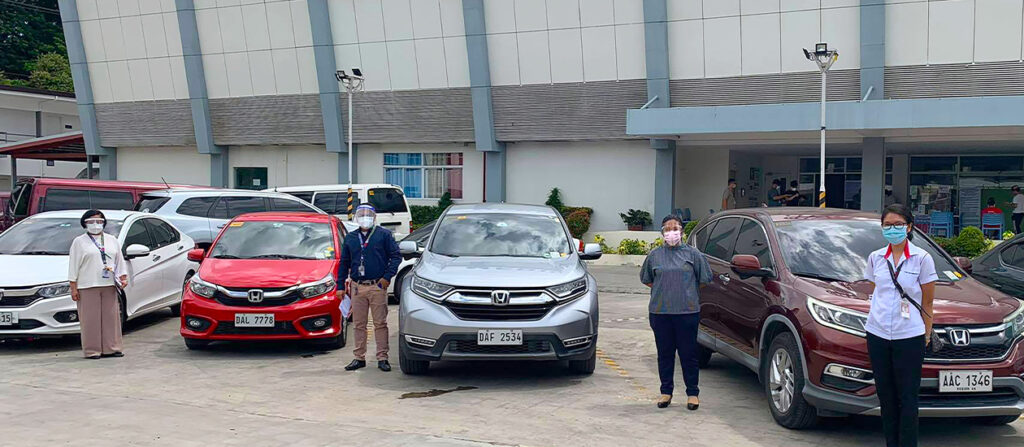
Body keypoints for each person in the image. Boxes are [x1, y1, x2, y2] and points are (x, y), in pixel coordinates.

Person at [862, 204, 936, 447]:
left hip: (910, 335)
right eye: (887, 225)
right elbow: (876, 292)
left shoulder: (922, 258)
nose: (892, 229)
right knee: (886, 396)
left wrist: (926, 335)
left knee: (907, 397)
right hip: (878, 333)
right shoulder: (875, 258)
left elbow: (927, 301)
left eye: (898, 225)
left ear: (909, 227)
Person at [640, 215, 712, 410]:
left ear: (682, 231)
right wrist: (666, 288)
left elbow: (704, 278)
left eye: (675, 228)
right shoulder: (655, 255)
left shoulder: (693, 255)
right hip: (660, 312)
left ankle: (692, 393)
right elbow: (647, 279)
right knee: (665, 354)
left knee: (688, 354)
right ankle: (666, 392)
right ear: (662, 233)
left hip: (687, 312)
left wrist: (684, 291)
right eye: (667, 229)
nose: (671, 232)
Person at [339, 204, 402, 372]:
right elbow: (344, 263)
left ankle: (382, 357)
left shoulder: (384, 235)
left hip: (377, 285)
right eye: (361, 214)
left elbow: (396, 256)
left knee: (380, 323)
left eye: (368, 214)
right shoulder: (351, 238)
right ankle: (359, 357)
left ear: (374, 217)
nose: (365, 217)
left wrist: (387, 278)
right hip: (358, 286)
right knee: (359, 324)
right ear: (356, 217)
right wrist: (340, 285)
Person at [68, 210, 128, 359]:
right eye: (91, 222)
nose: (95, 225)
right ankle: (92, 350)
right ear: (85, 224)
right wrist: (73, 287)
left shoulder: (111, 240)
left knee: (111, 317)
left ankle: (112, 348)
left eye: (99, 221)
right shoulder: (79, 241)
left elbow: (119, 260)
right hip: (87, 285)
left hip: (109, 283)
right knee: (90, 319)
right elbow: (73, 265)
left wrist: (123, 277)